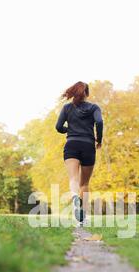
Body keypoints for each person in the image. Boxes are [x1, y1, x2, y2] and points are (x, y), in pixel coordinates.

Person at [55, 81, 103, 226]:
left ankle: (75, 196)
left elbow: (58, 127)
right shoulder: (94, 107)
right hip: (88, 145)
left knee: (73, 179)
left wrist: (67, 130)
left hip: (72, 144)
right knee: (85, 183)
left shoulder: (67, 108)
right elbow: (99, 122)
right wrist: (98, 139)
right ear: (86, 93)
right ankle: (83, 218)